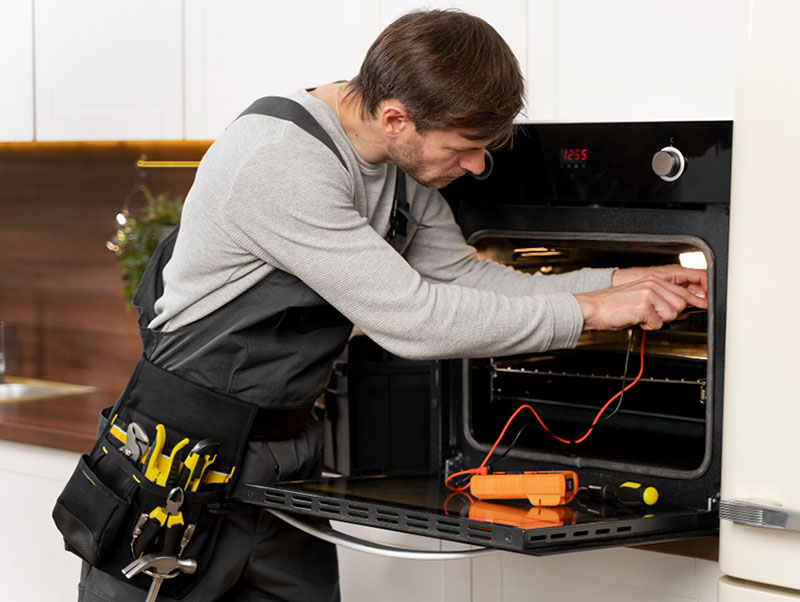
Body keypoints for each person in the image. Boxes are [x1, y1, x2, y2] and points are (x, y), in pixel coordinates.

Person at [77, 9, 706, 602]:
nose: (477, 164)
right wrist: (591, 313)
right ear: (397, 118)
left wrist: (621, 280)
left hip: (284, 464)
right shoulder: (281, 162)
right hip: (177, 472)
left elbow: (465, 280)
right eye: (463, 146)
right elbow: (416, 318)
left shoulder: (402, 168)